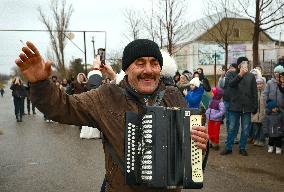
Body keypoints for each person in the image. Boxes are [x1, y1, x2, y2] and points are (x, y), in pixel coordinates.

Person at [15, 39, 208, 192]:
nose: (148, 70)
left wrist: (200, 143)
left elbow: (193, 143)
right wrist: (41, 84)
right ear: (126, 69)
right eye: (140, 63)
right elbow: (63, 107)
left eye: (154, 63)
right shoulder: (106, 96)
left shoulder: (174, 95)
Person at [220, 57, 258, 156]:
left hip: (247, 106)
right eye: (243, 63)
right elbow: (231, 85)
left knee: (245, 129)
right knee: (232, 128)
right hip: (234, 106)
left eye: (247, 63)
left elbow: (254, 92)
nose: (246, 65)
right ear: (239, 65)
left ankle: (242, 147)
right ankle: (228, 147)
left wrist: (255, 106)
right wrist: (240, 75)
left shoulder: (251, 76)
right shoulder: (231, 74)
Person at [250, 78, 266, 146]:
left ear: (263, 84)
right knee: (256, 128)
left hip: (263, 113)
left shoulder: (265, 93)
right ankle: (256, 139)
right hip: (255, 114)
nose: (259, 85)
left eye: (261, 83)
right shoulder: (254, 93)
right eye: (257, 84)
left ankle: (262, 140)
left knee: (262, 128)